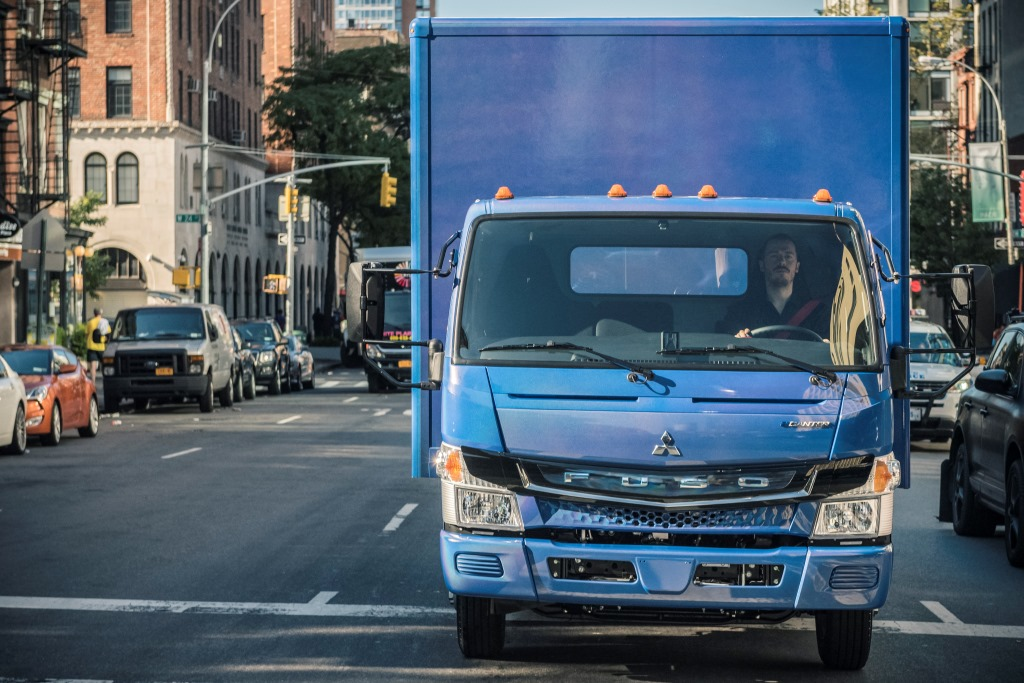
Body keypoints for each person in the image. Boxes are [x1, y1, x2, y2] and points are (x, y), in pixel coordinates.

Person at [716, 234, 829, 339]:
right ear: (762, 265)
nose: (782, 262)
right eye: (774, 256)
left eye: (788, 256)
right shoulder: (740, 312)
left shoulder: (817, 314)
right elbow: (722, 349)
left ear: (797, 267)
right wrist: (736, 341)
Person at [85, 307, 111, 382]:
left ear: (94, 313)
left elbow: (86, 334)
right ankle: (106, 379)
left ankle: (93, 382)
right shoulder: (104, 322)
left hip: (91, 346)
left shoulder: (90, 322)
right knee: (104, 364)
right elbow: (108, 333)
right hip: (101, 347)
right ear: (101, 313)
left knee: (93, 365)